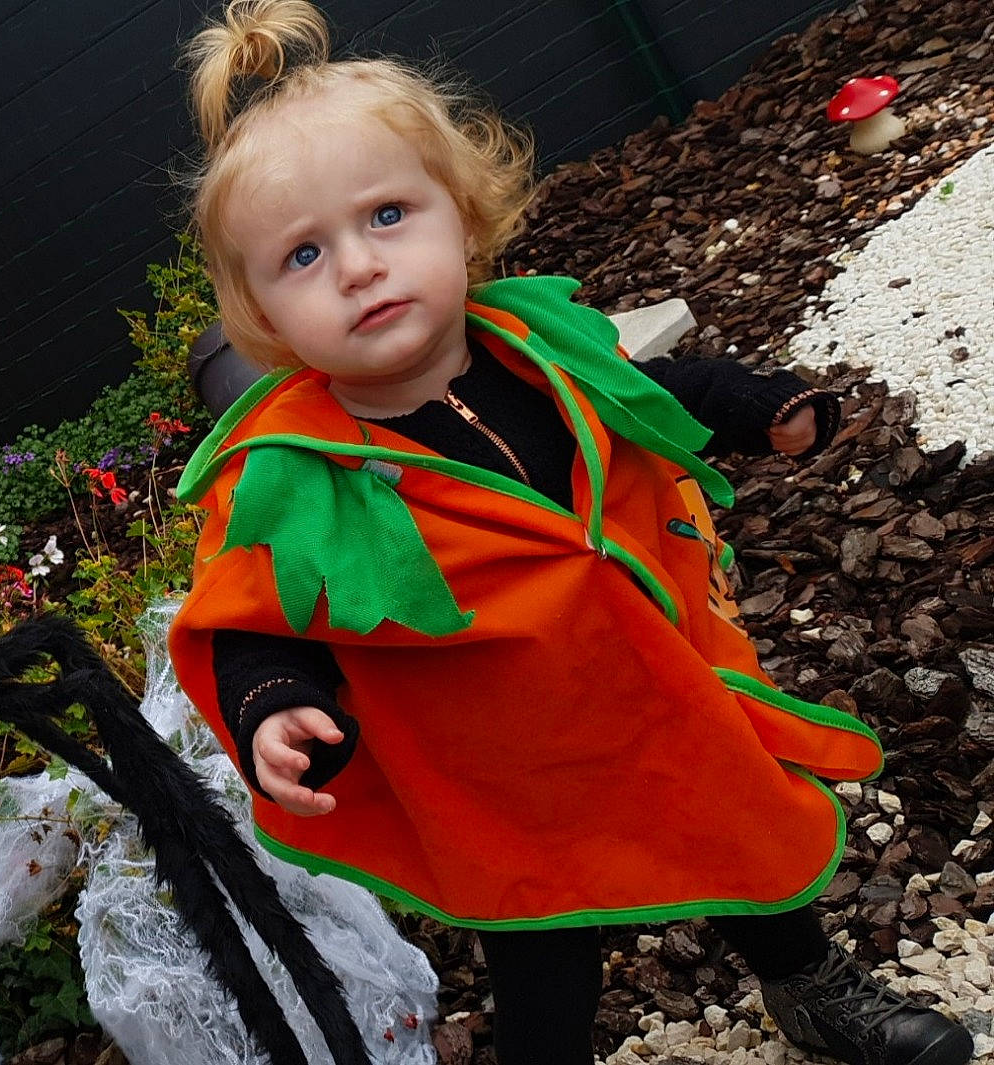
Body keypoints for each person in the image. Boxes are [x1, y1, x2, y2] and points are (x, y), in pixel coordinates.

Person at [163, 4, 975, 1064]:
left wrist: (747, 404)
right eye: (303, 255)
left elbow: (639, 396)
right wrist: (274, 701)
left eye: (387, 216)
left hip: (648, 687)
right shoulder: (291, 472)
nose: (357, 267)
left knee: (731, 828)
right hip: (508, 769)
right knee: (539, 936)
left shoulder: (536, 350)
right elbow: (250, 611)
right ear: (261, 313)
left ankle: (805, 988)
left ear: (460, 216)